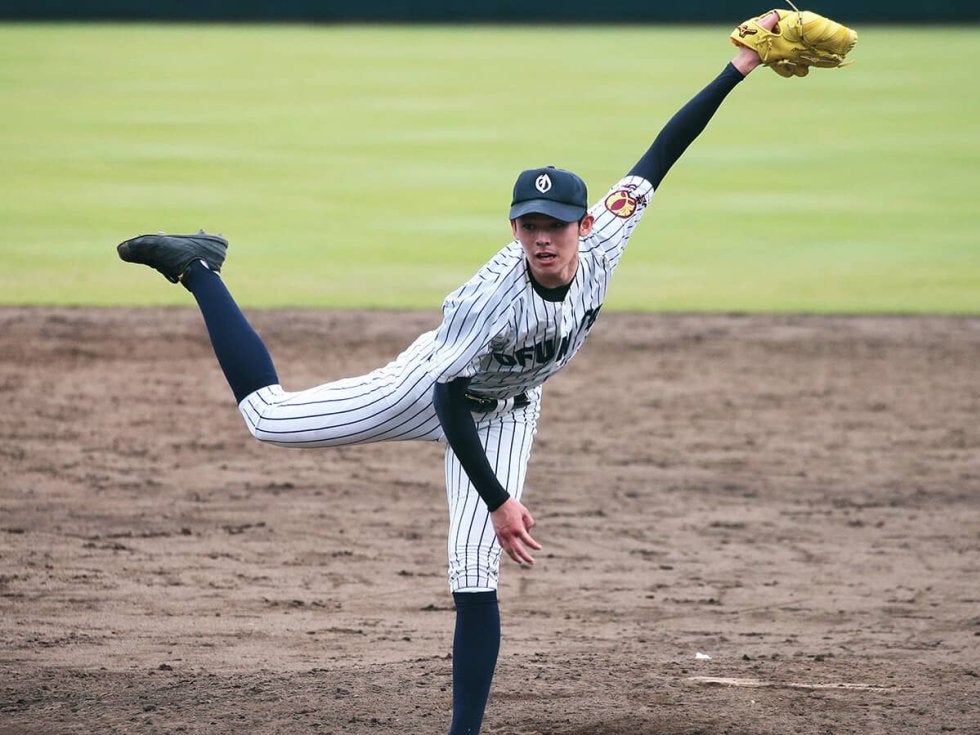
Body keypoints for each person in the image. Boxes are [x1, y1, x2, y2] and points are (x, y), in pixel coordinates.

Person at [117, 15, 778, 735]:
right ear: (514, 228)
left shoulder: (606, 236)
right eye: (531, 225)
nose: (545, 238)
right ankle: (198, 266)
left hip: (510, 409)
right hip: (433, 387)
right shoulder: (490, 299)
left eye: (557, 224)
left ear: (584, 225)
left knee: (473, 569)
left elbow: (662, 152)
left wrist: (740, 67)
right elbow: (447, 396)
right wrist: (498, 499)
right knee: (269, 419)